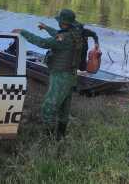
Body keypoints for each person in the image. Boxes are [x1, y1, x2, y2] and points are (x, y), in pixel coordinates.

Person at [12, 9, 83, 140]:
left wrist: (23, 32)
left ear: (62, 23)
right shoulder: (74, 34)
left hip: (61, 77)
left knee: (48, 108)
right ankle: (60, 138)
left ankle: (48, 139)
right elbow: (58, 35)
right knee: (63, 110)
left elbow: (43, 43)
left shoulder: (64, 39)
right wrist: (46, 28)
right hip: (70, 76)